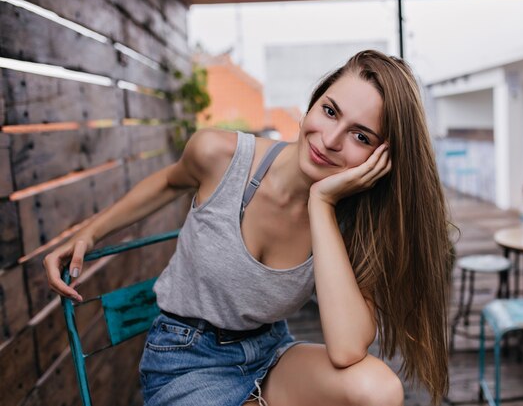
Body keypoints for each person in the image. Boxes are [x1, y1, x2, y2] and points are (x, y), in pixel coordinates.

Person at [44, 50, 451, 406]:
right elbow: (169, 182)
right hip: (186, 361)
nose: (329, 140)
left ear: (380, 159)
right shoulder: (220, 156)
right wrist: (90, 232)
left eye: (360, 136)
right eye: (330, 111)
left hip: (270, 353)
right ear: (312, 103)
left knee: (380, 390)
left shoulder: (353, 221)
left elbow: (346, 350)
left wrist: (322, 204)